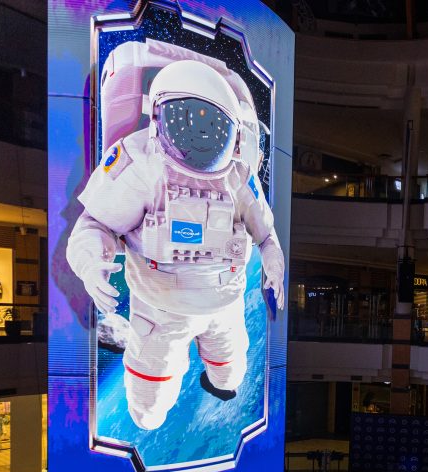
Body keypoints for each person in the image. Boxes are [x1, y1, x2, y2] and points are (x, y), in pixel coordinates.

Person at [66, 58, 285, 430]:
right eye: (189, 121)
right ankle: (160, 400)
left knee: (230, 376)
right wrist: (91, 265)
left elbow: (265, 232)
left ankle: (216, 380)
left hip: (225, 305)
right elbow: (92, 225)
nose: (200, 137)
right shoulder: (138, 163)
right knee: (148, 412)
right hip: (160, 310)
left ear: (232, 135)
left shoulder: (237, 174)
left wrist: (274, 260)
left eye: (210, 126)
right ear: (158, 117)